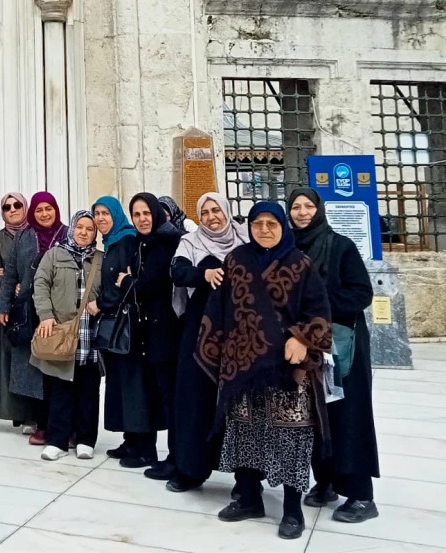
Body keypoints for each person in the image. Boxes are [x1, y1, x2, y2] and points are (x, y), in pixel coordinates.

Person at [197, 200, 332, 541]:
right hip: (241, 367)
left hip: (286, 370)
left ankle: (291, 508)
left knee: (290, 438)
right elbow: (219, 309)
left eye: (272, 223)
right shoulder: (236, 261)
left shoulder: (300, 264)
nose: (265, 230)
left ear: (283, 226)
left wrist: (302, 338)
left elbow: (320, 313)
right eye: (258, 223)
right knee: (244, 433)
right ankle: (249, 498)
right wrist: (218, 351)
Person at [288, 186, 380, 524]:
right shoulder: (290, 249)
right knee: (315, 416)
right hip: (307, 347)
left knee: (348, 416)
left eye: (307, 206)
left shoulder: (340, 245)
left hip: (342, 348)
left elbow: (361, 293)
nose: (301, 212)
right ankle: (325, 482)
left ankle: (361, 495)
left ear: (319, 209)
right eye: (295, 207)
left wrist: (319, 305)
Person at [166, 192, 247, 492]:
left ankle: (246, 479)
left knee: (241, 404)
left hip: (241, 333)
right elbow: (178, 271)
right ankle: (191, 470)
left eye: (217, 210)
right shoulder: (191, 242)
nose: (212, 216)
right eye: (206, 212)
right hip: (200, 334)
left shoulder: (245, 239)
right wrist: (205, 273)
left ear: (226, 211)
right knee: (194, 400)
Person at [0, 191, 66, 445]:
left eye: (49, 209)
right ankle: (41, 424)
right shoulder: (24, 236)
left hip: (61, 314)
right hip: (30, 313)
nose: (45, 214)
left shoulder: (66, 235)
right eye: (39, 210)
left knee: (59, 369)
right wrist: (3, 305)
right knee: (34, 369)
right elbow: (11, 273)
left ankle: (63, 426)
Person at [33, 209, 104, 461]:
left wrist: (102, 305)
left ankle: (86, 439)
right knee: (60, 390)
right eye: (80, 227)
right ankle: (57, 440)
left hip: (90, 336)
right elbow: (40, 284)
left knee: (88, 391)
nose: (84, 233)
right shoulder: (54, 255)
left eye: (90, 229)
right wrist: (46, 315)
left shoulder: (100, 259)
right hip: (62, 334)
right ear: (72, 228)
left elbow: (108, 293)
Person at [124, 191, 183, 479]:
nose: (142, 219)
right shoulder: (144, 243)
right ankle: (167, 456)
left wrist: (128, 281)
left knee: (172, 400)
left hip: (167, 333)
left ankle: (176, 459)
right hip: (151, 331)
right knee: (161, 396)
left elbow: (150, 285)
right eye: (136, 214)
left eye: (146, 213)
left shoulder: (167, 243)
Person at [93, 194, 149, 463]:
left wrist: (100, 304)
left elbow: (121, 285)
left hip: (126, 324)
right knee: (119, 383)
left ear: (116, 215)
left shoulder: (126, 240)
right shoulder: (111, 242)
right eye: (98, 214)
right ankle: (130, 440)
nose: (101, 218)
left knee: (132, 385)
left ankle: (142, 447)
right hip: (114, 325)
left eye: (106, 213)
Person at [0, 193, 33, 426]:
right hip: (9, 307)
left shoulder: (34, 234)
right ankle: (17, 413)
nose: (12, 209)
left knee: (32, 361)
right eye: (7, 206)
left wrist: (18, 282)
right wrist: (8, 284)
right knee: (11, 361)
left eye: (17, 205)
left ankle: (34, 414)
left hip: (32, 306)